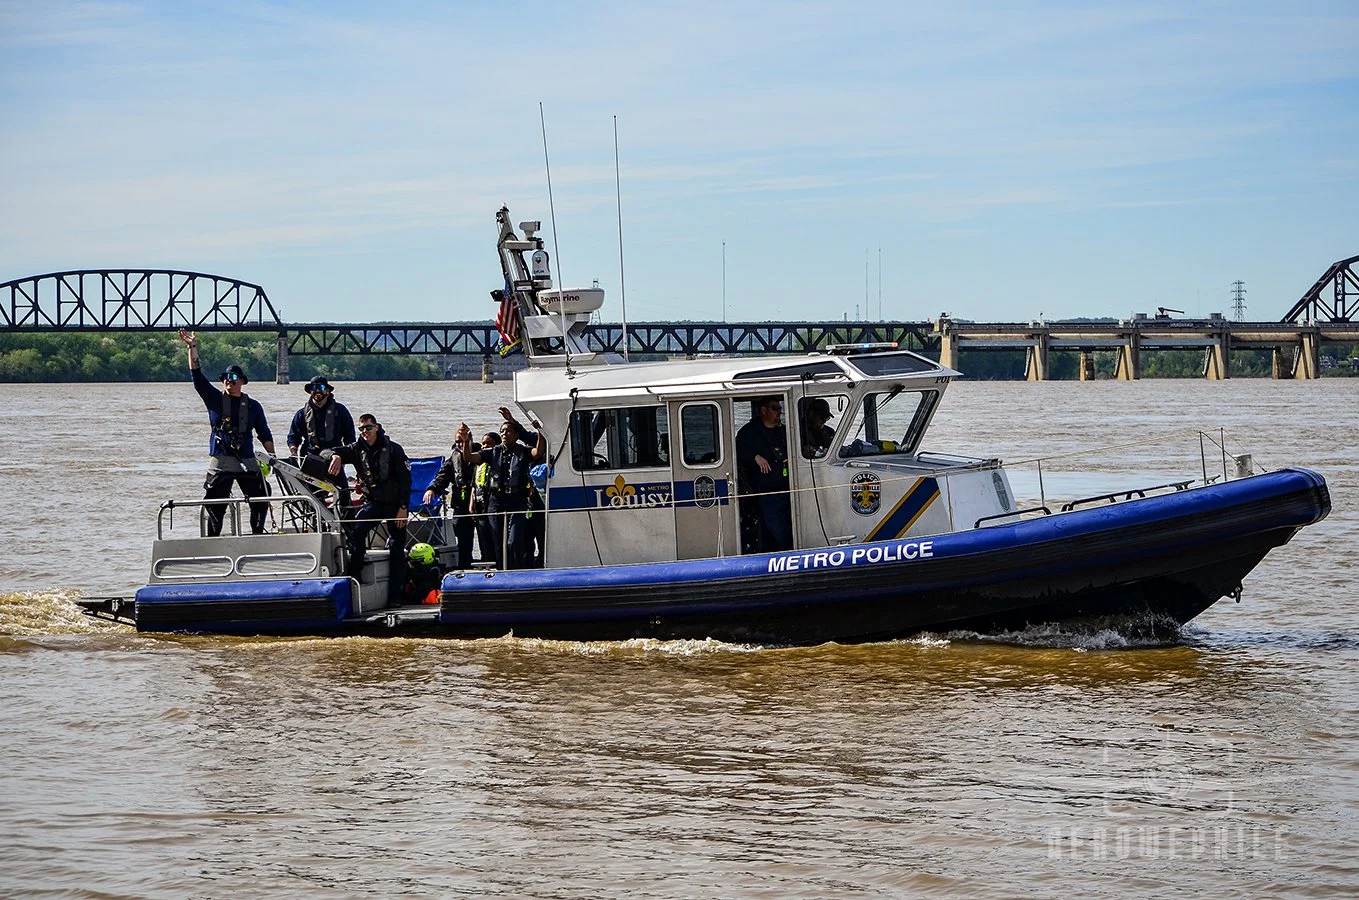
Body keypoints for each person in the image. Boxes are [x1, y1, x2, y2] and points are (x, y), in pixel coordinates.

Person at [177, 329, 276, 536]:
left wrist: (272, 457)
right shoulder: (213, 398)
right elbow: (196, 375)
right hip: (221, 461)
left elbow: (264, 433)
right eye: (226, 378)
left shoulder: (254, 406)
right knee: (215, 505)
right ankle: (213, 541)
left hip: (246, 460)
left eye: (233, 377)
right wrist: (192, 347)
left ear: (242, 381)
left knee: (262, 495)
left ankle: (258, 534)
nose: (229, 380)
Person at [328, 414, 412, 607]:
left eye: (368, 428)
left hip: (395, 504)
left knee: (397, 548)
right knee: (357, 532)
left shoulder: (394, 449)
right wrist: (335, 456)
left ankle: (395, 596)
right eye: (362, 429)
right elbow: (328, 451)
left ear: (377, 427)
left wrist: (403, 508)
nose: (365, 432)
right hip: (374, 502)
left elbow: (406, 481)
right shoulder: (356, 449)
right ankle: (354, 577)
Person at [454, 408, 546, 569]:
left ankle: (516, 568)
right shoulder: (492, 452)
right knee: (498, 540)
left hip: (517, 500)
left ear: (516, 435)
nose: (504, 434)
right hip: (496, 501)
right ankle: (502, 570)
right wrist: (466, 441)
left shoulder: (523, 451)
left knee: (515, 540)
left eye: (508, 431)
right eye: (502, 431)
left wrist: (540, 432)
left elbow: (538, 452)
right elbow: (470, 457)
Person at [286, 375, 356, 510]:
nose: (317, 391)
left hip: (334, 460)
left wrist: (345, 457)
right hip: (311, 460)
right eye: (314, 388)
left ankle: (347, 526)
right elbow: (293, 437)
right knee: (313, 500)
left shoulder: (340, 411)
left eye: (321, 388)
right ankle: (318, 525)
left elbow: (350, 439)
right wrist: (293, 449)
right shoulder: (302, 414)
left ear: (327, 391)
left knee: (344, 494)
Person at [736, 395, 792, 552]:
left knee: (787, 528)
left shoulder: (784, 432)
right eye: (775, 408)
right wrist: (755, 457)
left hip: (788, 490)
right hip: (766, 493)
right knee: (777, 531)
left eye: (780, 408)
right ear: (763, 410)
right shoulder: (748, 433)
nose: (779, 412)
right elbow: (735, 453)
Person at [422, 434, 477, 569]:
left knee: (487, 539)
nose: (460, 444)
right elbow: (442, 476)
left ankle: (492, 566)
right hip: (461, 504)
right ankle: (465, 568)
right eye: (457, 441)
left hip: (481, 504)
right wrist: (432, 489)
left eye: (463, 441)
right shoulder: (454, 457)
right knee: (463, 539)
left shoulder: (482, 453)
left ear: (470, 440)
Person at [470, 431, 501, 565]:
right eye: (483, 443)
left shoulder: (498, 462)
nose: (485, 446)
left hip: (494, 507)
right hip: (480, 508)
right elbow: (474, 485)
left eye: (489, 443)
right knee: (484, 542)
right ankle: (486, 564)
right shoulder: (479, 463)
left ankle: (499, 565)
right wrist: (471, 504)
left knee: (497, 541)